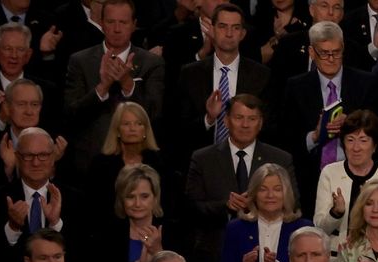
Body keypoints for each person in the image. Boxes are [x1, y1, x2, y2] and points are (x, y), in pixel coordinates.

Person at [185, 93, 297, 262]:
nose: (245, 125)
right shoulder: (203, 158)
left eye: (252, 119)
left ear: (260, 123)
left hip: (269, 259)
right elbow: (190, 207)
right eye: (239, 118)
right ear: (227, 121)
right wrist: (224, 206)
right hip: (213, 258)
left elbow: (293, 203)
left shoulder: (280, 159)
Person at [281, 22, 378, 211]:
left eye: (336, 52)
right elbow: (286, 139)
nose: (331, 59)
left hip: (359, 179)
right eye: (324, 53)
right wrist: (314, 137)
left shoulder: (366, 83)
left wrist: (352, 123)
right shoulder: (296, 87)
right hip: (311, 181)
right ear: (311, 52)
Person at [63, 0, 165, 176]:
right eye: (111, 22)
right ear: (101, 24)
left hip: (138, 167)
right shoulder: (80, 61)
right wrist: (103, 87)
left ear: (134, 25)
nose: (117, 29)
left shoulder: (151, 63)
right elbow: (71, 114)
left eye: (123, 22)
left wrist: (127, 83)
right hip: (90, 164)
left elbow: (154, 113)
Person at [0, 127, 80, 262]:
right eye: (28, 156)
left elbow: (81, 256)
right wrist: (12, 228)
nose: (36, 163)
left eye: (43, 155)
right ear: (17, 157)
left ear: (53, 158)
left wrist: (55, 224)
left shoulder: (74, 199)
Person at [174, 2, 270, 155]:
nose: (229, 33)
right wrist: (209, 119)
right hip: (202, 162)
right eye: (223, 26)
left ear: (243, 34)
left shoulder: (261, 75)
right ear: (212, 30)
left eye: (235, 28)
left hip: (248, 161)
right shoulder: (190, 74)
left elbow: (270, 126)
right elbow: (178, 128)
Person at [315, 111, 378, 253]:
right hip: (334, 261)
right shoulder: (329, 173)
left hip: (374, 261)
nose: (356, 148)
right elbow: (319, 228)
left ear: (374, 145)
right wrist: (336, 213)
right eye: (350, 139)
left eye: (363, 140)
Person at [85, 102, 166, 225]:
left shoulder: (159, 162)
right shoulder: (101, 164)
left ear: (145, 130)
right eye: (126, 124)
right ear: (117, 130)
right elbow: (93, 205)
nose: (132, 129)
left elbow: (166, 203)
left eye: (138, 124)